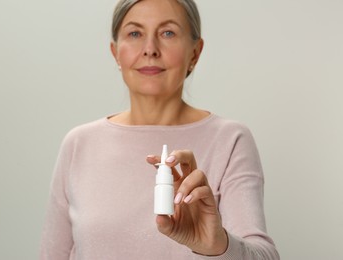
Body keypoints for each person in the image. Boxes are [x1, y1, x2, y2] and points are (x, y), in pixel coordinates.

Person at [40, 0, 280, 259]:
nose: (150, 49)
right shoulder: (79, 143)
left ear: (195, 53)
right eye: (135, 33)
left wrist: (218, 246)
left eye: (168, 33)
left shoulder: (230, 140)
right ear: (115, 52)